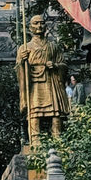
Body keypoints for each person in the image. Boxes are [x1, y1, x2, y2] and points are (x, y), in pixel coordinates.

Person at [16, 14, 69, 146]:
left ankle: (58, 140)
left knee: (55, 114)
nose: (39, 26)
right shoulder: (24, 48)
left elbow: (63, 64)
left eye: (41, 23)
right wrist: (22, 62)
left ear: (45, 26)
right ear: (30, 28)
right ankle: (35, 141)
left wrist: (56, 66)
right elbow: (18, 70)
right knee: (34, 114)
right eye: (35, 23)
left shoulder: (53, 46)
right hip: (33, 83)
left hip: (51, 81)